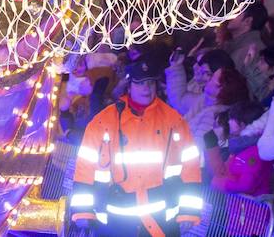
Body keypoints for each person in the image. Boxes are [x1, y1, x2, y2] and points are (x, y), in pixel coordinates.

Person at [70, 60, 204, 237]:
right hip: (114, 219)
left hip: (162, 218)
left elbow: (191, 167)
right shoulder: (103, 121)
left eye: (150, 82)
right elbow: (85, 167)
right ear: (129, 85)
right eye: (139, 83)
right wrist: (82, 210)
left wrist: (189, 211)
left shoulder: (174, 121)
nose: (146, 88)